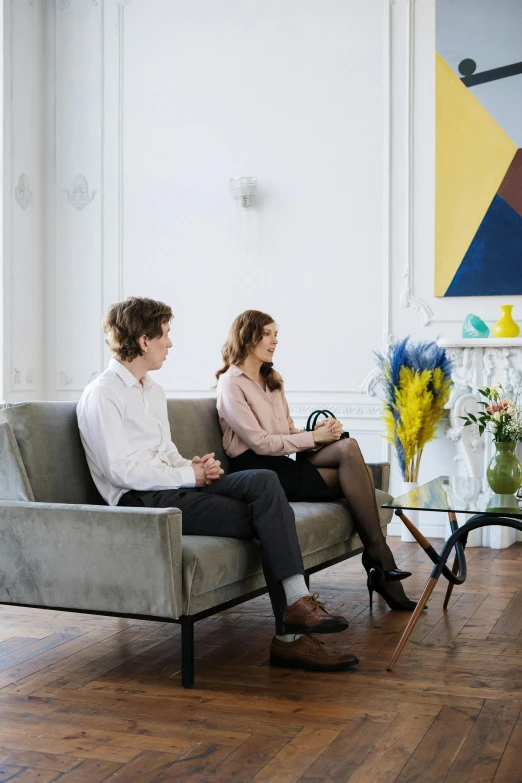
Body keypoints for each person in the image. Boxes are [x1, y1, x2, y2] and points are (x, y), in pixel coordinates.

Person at [77, 296, 359, 673]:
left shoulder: (152, 391)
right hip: (140, 502)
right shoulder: (102, 394)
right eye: (165, 335)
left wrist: (192, 466)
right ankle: (292, 631)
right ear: (144, 341)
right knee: (267, 517)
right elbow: (121, 472)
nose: (170, 343)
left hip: (172, 486)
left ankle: (296, 610)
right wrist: (185, 475)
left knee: (263, 480)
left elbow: (164, 452)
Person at [216, 310, 417, 612]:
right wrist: (313, 439)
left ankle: (379, 558)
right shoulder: (231, 384)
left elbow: (285, 433)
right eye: (268, 334)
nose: (275, 340)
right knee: (355, 473)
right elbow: (259, 442)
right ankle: (380, 560)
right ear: (248, 337)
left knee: (347, 446)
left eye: (275, 333)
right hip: (256, 472)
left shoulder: (272, 381)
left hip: (281, 462)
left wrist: (318, 433)